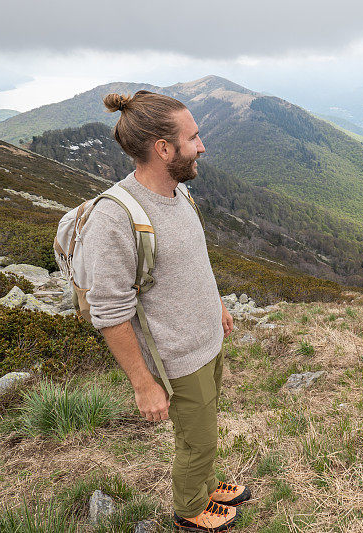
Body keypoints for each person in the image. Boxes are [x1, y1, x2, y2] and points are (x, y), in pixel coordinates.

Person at [81, 90, 250, 532]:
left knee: (206, 425)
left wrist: (216, 305)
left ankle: (209, 484)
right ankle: (190, 510)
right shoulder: (117, 217)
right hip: (176, 355)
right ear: (163, 149)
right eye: (193, 138)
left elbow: (193, 260)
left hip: (206, 338)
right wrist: (143, 383)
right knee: (196, 438)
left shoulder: (178, 194)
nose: (202, 146)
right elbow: (109, 310)